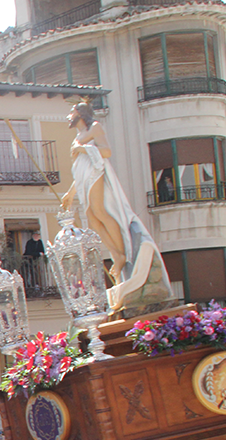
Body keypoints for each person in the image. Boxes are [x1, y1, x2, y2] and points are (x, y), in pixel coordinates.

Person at [59, 100, 172, 313]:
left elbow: (106, 151)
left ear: (80, 113)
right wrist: (70, 193)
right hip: (84, 177)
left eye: (71, 112)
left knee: (100, 211)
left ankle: (122, 255)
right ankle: (116, 254)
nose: (68, 117)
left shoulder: (95, 128)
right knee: (92, 219)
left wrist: (83, 149)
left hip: (96, 173)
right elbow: (79, 167)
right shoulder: (77, 137)